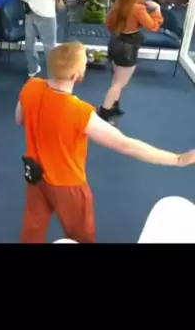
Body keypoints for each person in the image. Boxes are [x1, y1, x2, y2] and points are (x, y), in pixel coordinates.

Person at [16, 41, 195, 244]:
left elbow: (19, 119)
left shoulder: (30, 86)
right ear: (76, 75)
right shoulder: (80, 112)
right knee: (81, 236)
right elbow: (126, 145)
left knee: (32, 228)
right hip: (68, 186)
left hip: (35, 176)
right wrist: (178, 159)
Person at [98, 0, 163, 122]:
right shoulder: (138, 9)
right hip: (128, 47)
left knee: (116, 79)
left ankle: (113, 106)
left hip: (115, 42)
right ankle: (104, 113)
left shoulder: (118, 4)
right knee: (119, 84)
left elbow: (108, 23)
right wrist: (157, 10)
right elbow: (153, 26)